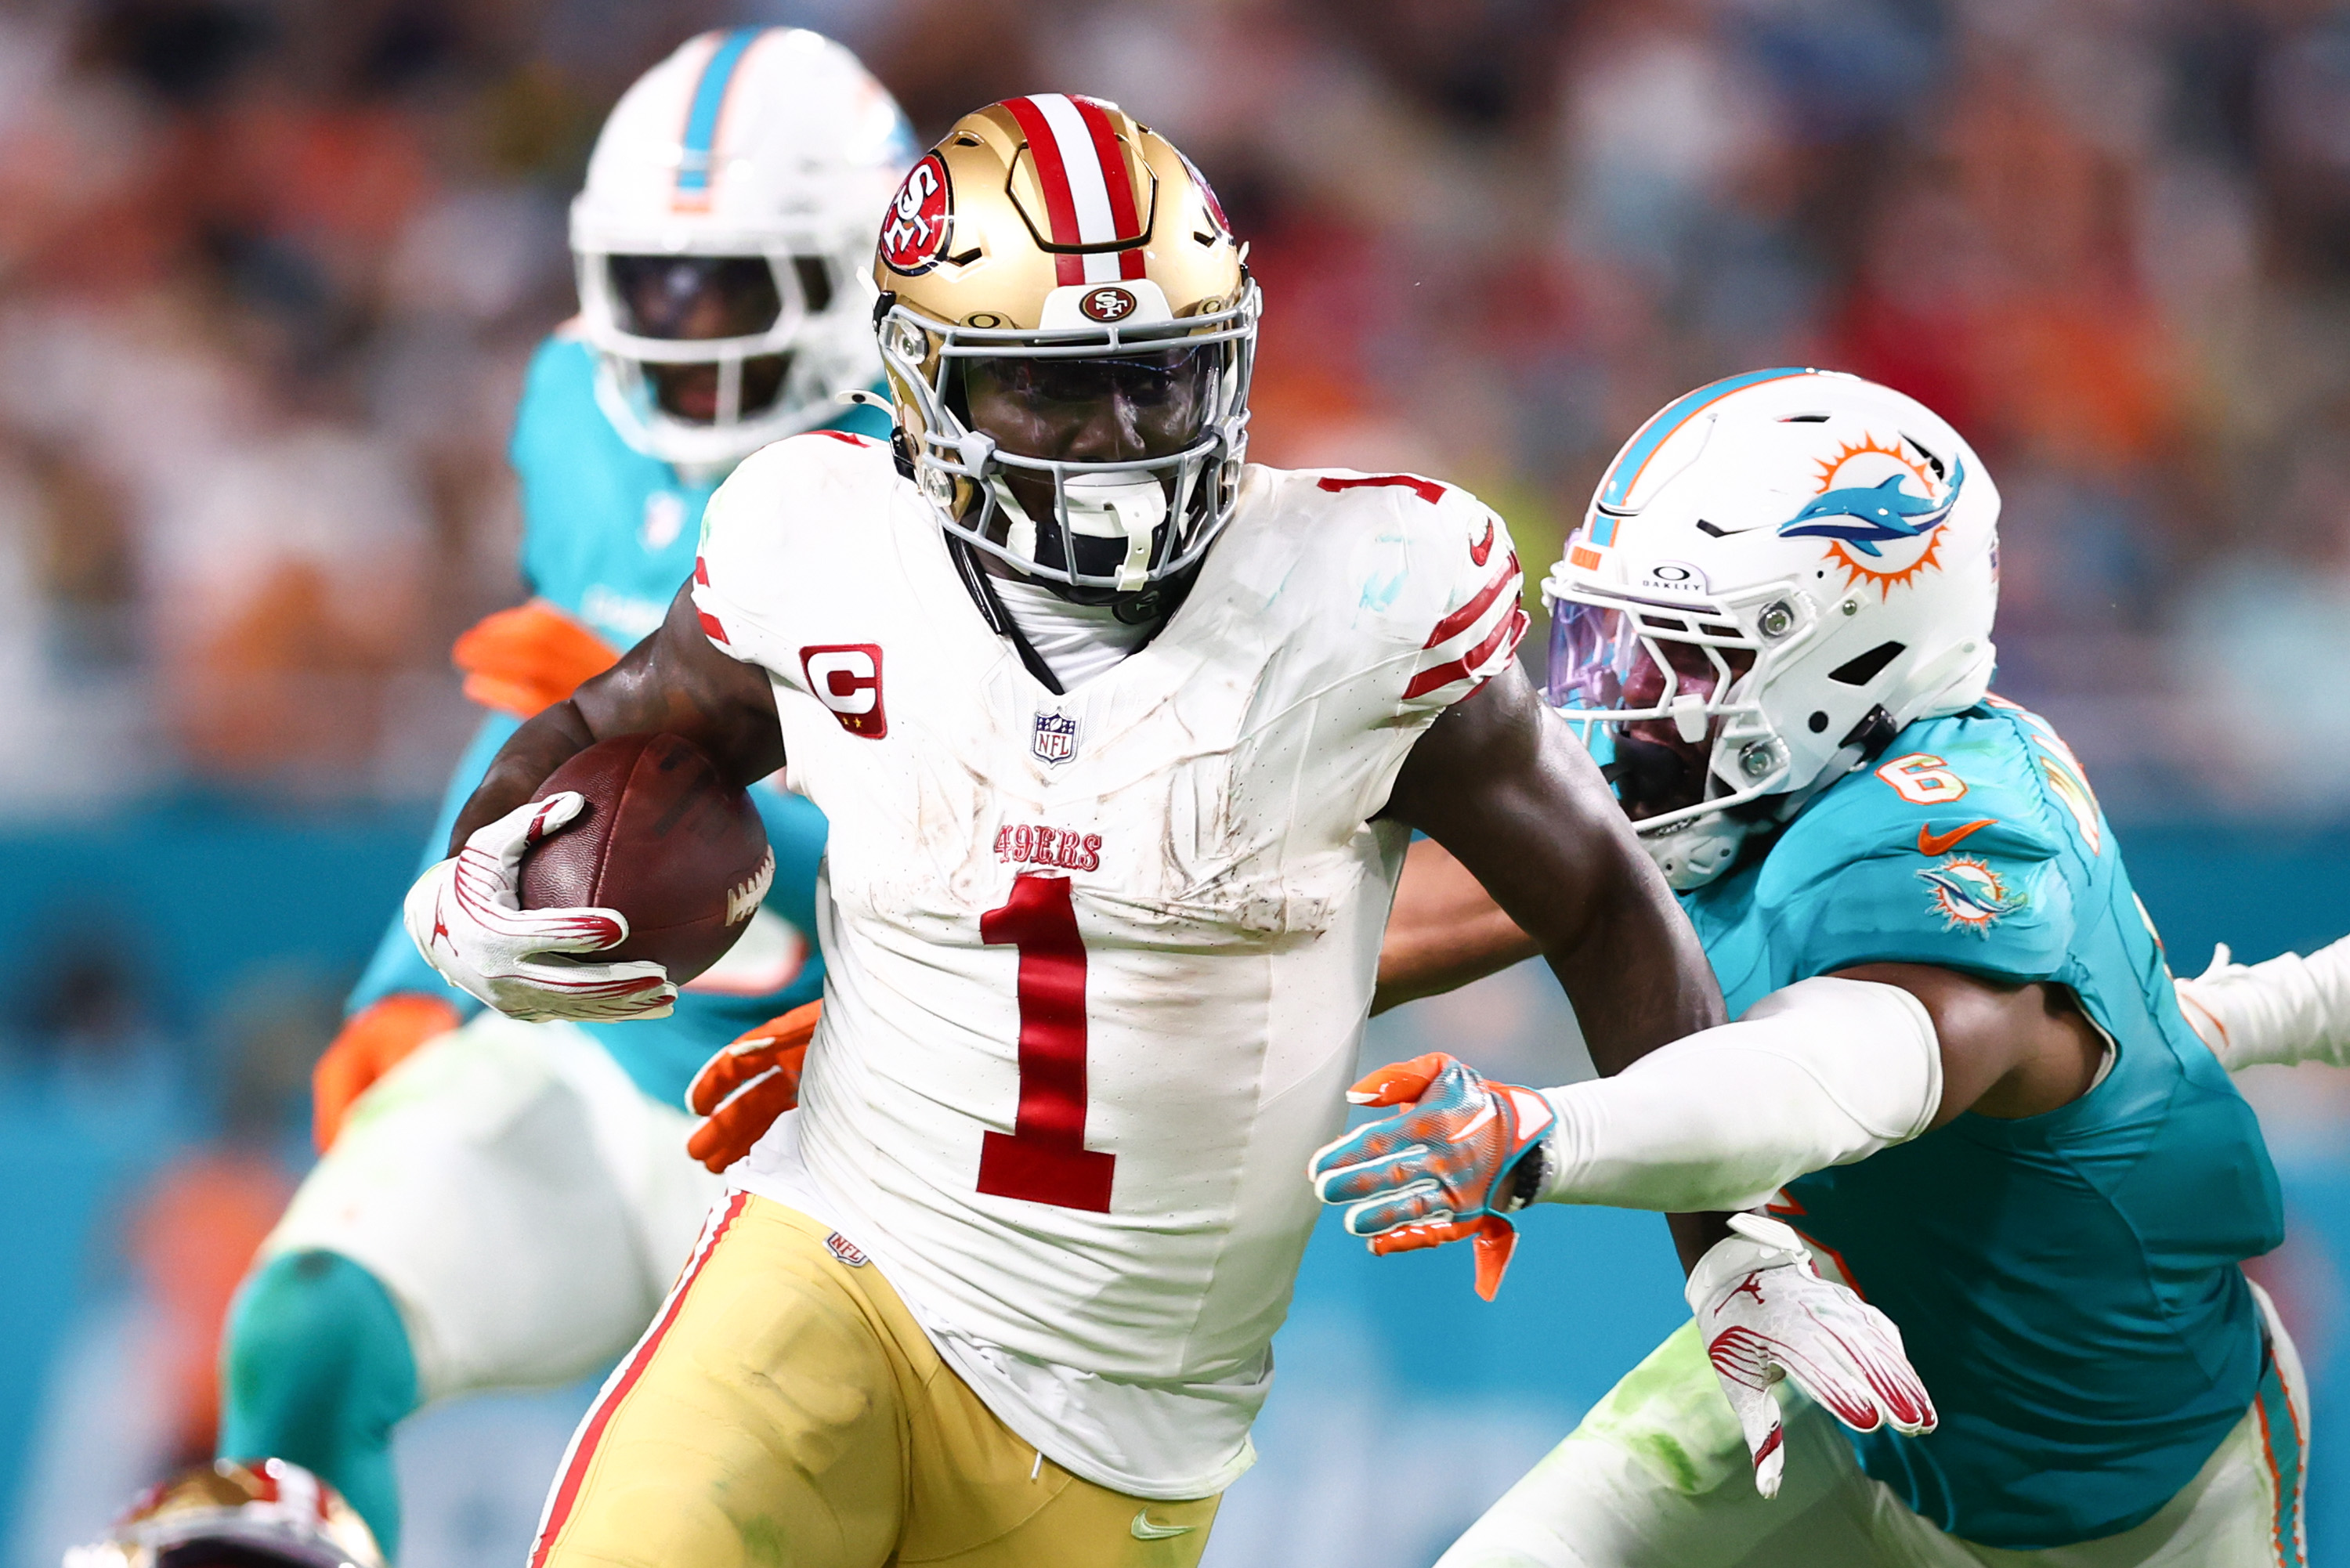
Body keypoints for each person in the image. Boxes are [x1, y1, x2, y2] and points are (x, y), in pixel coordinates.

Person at [389, 95, 1852, 1568]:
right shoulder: (822, 544)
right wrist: (481, 872)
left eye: (1161, 373)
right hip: (838, 1264)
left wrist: (1733, 1235)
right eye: (1061, 389)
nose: (1128, 437)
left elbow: (1598, 893)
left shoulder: (1367, 598)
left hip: (1129, 1421)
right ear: (925, 384)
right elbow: (606, 726)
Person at [1355, 368, 2313, 1566]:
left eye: (1677, 661)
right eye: (1618, 646)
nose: (1624, 707)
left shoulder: (1949, 839)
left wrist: (1542, 1129)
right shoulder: (1747, 770)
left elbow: (1815, 1079)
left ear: (1849, 666)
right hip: (1832, 1364)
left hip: (2134, 1498)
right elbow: (1378, 936)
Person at [215, 29, 912, 1555]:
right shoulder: (576, 407)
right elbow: (530, 710)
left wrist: (695, 773)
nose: (674, 323)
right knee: (308, 1328)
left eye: (727, 282)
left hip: (852, 1135)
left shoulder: (950, 485)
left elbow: (974, 883)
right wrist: (416, 971)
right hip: (606, 1070)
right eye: (650, 278)